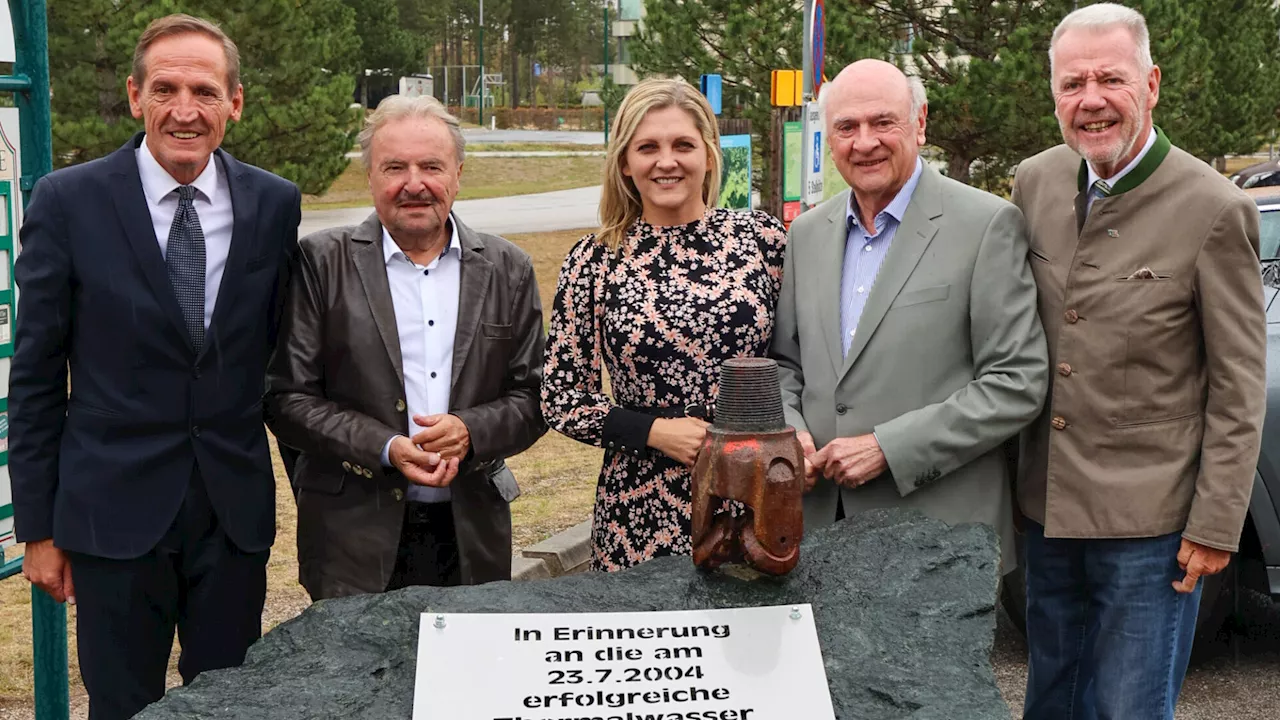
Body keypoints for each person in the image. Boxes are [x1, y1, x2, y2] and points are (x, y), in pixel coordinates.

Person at [9, 14, 301, 720]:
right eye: (165, 88)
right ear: (136, 96)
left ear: (234, 102)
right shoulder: (68, 201)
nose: (184, 110)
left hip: (231, 516)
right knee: (121, 705)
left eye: (204, 91)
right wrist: (39, 530)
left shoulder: (272, 204)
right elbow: (38, 375)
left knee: (230, 702)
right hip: (111, 516)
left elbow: (281, 362)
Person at [1011, 5, 1266, 718]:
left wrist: (1216, 526)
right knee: (1051, 702)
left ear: (1151, 84)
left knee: (1128, 707)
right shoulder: (1033, 182)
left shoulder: (1213, 208)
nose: (1090, 99)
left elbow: (1239, 385)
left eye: (1110, 79)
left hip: (1152, 530)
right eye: (1072, 83)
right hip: (1049, 511)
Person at [770, 60, 1048, 571]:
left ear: (920, 123)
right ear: (829, 140)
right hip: (816, 532)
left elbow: (1017, 381)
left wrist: (888, 448)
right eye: (846, 127)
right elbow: (785, 364)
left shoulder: (986, 225)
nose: (864, 142)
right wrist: (790, 430)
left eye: (883, 122)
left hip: (939, 539)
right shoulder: (807, 233)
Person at [265, 95, 546, 600]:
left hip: (472, 534)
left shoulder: (509, 268)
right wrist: (386, 446)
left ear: (458, 174)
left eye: (431, 166)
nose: (414, 183)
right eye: (395, 167)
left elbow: (534, 396)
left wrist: (470, 431)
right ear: (370, 177)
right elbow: (287, 398)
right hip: (351, 538)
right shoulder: (320, 263)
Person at [541, 77, 788, 572]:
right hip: (638, 501)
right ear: (625, 163)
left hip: (752, 488)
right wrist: (655, 432)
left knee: (756, 640)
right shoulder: (595, 261)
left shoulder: (762, 240)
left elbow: (797, 361)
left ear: (710, 155)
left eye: (683, 145)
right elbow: (562, 400)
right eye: (647, 147)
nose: (666, 161)